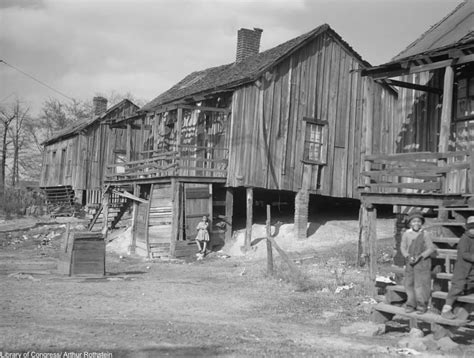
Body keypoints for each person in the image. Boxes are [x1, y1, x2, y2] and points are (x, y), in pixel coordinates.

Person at [400, 211, 436, 314]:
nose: (416, 223)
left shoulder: (425, 234)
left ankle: (422, 305)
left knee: (421, 285)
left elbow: (431, 248)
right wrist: (407, 256)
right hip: (410, 262)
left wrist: (420, 256)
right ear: (410, 223)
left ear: (422, 223)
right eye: (414, 221)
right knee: (409, 284)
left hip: (422, 263)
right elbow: (403, 247)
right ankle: (411, 304)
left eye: (419, 221)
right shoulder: (406, 234)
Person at [441, 216, 474, 319]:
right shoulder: (465, 239)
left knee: (470, 286)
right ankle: (446, 309)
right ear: (468, 228)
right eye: (472, 228)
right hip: (462, 268)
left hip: (471, 269)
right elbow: (464, 254)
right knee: (457, 287)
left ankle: (463, 311)